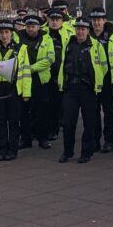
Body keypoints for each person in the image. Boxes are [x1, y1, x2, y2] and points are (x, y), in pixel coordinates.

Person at [59, 18, 108, 164]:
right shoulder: (68, 44)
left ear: (88, 31)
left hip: (88, 88)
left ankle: (86, 152)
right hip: (70, 88)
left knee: (89, 122)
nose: (80, 31)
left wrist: (96, 81)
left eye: (83, 29)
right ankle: (67, 152)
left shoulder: (96, 45)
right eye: (78, 28)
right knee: (68, 122)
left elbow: (103, 67)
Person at [0, 20, 32, 161]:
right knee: (0, 122)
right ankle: (2, 150)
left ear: (12, 34)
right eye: (1, 33)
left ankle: (12, 150)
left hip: (14, 88)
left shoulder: (21, 49)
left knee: (13, 121)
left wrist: (26, 92)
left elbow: (25, 72)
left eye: (7, 32)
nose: (4, 35)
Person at [88, 8, 113, 154]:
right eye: (94, 20)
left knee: (108, 111)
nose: (96, 22)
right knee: (93, 112)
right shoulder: (87, 35)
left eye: (99, 19)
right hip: (90, 80)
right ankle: (95, 141)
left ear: (104, 21)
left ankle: (109, 141)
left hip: (108, 79)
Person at [17, 15, 55, 150]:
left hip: (39, 77)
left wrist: (32, 68)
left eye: (33, 27)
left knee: (41, 110)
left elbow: (50, 59)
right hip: (22, 79)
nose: (30, 29)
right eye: (28, 27)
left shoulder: (46, 39)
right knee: (23, 110)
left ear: (39, 27)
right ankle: (25, 138)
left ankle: (42, 138)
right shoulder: (18, 38)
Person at [46, 9, 71, 141]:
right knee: (46, 104)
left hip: (61, 73)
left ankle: (56, 128)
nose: (55, 22)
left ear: (62, 21)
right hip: (45, 73)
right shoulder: (43, 33)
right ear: (48, 20)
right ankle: (47, 129)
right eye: (52, 20)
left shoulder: (68, 33)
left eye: (57, 20)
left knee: (59, 104)